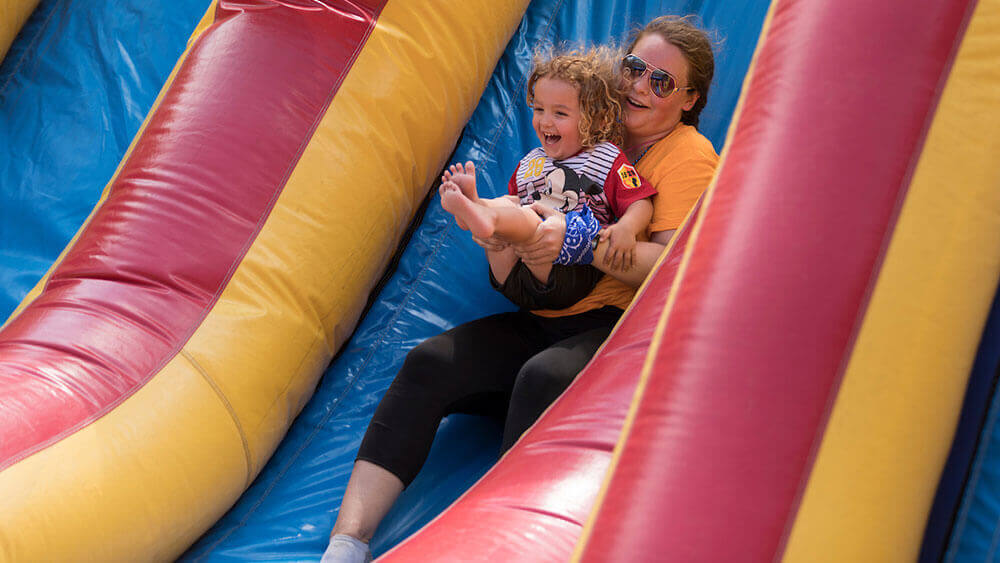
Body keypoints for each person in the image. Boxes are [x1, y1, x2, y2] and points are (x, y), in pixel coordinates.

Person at [321, 15, 719, 563]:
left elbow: (672, 267)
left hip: (615, 335)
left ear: (690, 98)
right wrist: (506, 243)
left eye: (661, 81)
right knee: (428, 363)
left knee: (543, 377)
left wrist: (572, 241)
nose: (638, 86)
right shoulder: (590, 131)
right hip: (545, 313)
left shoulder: (688, 156)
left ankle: (501, 549)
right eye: (634, 69)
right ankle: (346, 543)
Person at [439, 47, 657, 311]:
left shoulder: (606, 158)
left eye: (560, 113)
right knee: (509, 209)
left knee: (532, 221)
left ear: (596, 120)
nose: (545, 121)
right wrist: (498, 214)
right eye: (539, 109)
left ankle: (484, 215)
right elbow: (514, 202)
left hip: (568, 270)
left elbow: (641, 201)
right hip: (512, 276)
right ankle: (478, 206)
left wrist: (627, 228)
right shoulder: (531, 162)